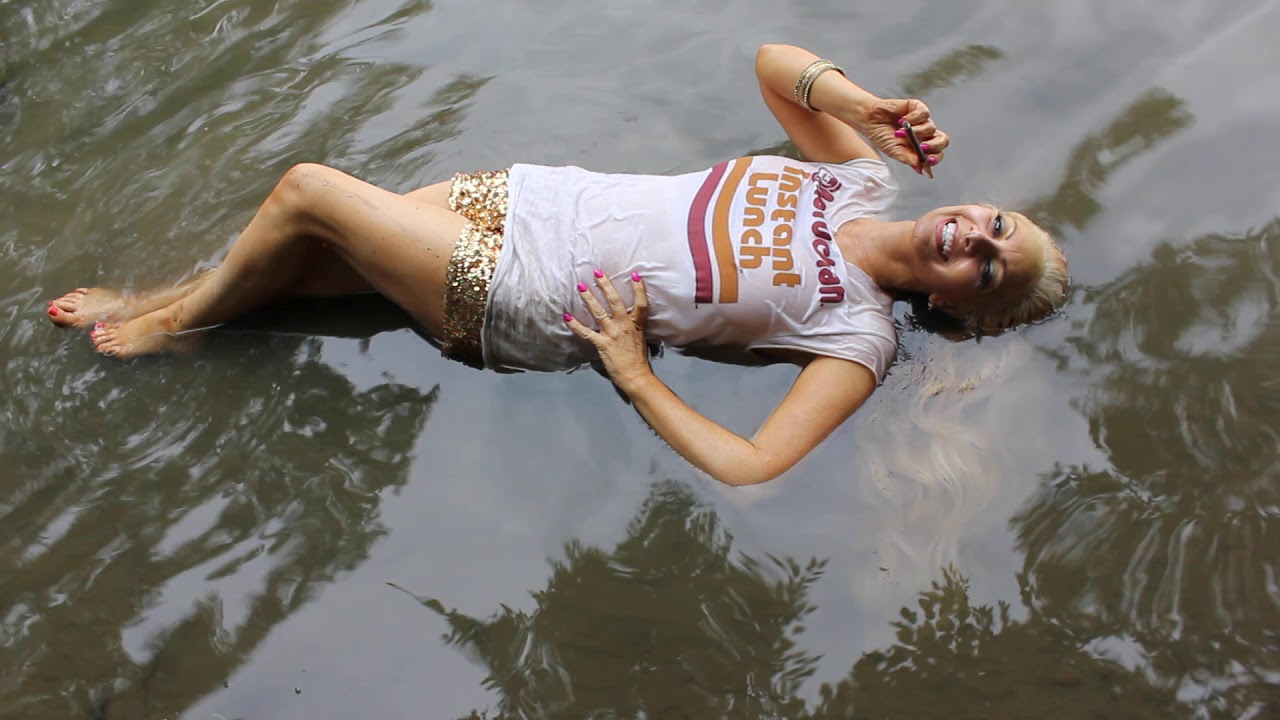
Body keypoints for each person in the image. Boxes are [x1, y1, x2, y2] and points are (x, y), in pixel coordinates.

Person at [45, 44, 1068, 487]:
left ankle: (173, 325)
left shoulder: (855, 335)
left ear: (956, 305)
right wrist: (859, 102)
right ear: (974, 203)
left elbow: (753, 465)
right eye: (993, 226)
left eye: (986, 268)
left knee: (310, 192)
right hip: (529, 197)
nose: (973, 239)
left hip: (538, 301)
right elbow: (769, 61)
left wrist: (633, 375)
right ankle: (174, 304)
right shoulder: (857, 179)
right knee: (307, 246)